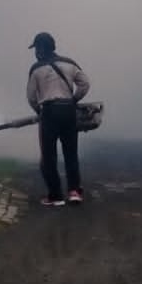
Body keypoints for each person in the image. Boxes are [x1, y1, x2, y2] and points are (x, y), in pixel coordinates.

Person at [26, 32, 91, 207]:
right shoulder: (70, 63)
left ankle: (55, 196)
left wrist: (39, 111)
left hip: (48, 112)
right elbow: (85, 83)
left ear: (40, 49)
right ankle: (74, 192)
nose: (35, 52)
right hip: (69, 111)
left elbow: (31, 96)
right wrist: (74, 100)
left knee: (49, 156)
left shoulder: (36, 69)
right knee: (70, 153)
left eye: (36, 48)